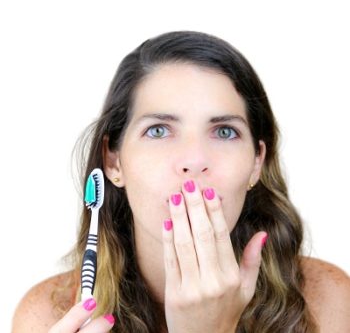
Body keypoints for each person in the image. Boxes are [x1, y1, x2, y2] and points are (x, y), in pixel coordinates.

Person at [12, 31, 350, 332]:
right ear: (113, 160)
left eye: (224, 131)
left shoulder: (327, 301)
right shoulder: (45, 318)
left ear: (256, 163)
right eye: (158, 130)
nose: (193, 160)